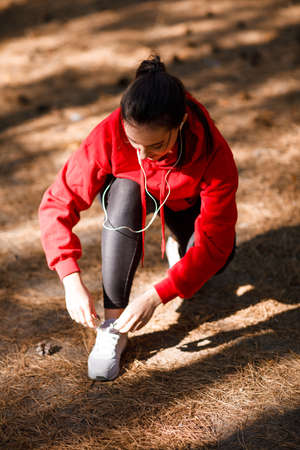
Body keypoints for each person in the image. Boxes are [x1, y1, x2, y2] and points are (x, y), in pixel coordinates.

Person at [39, 55, 238, 381]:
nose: (142, 156)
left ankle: (178, 246)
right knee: (125, 190)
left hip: (184, 201)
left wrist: (157, 295)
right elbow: (56, 204)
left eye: (156, 145)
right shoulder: (108, 134)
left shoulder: (213, 151)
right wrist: (70, 279)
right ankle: (114, 327)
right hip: (134, 195)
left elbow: (216, 242)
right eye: (134, 144)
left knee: (223, 257)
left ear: (182, 123)